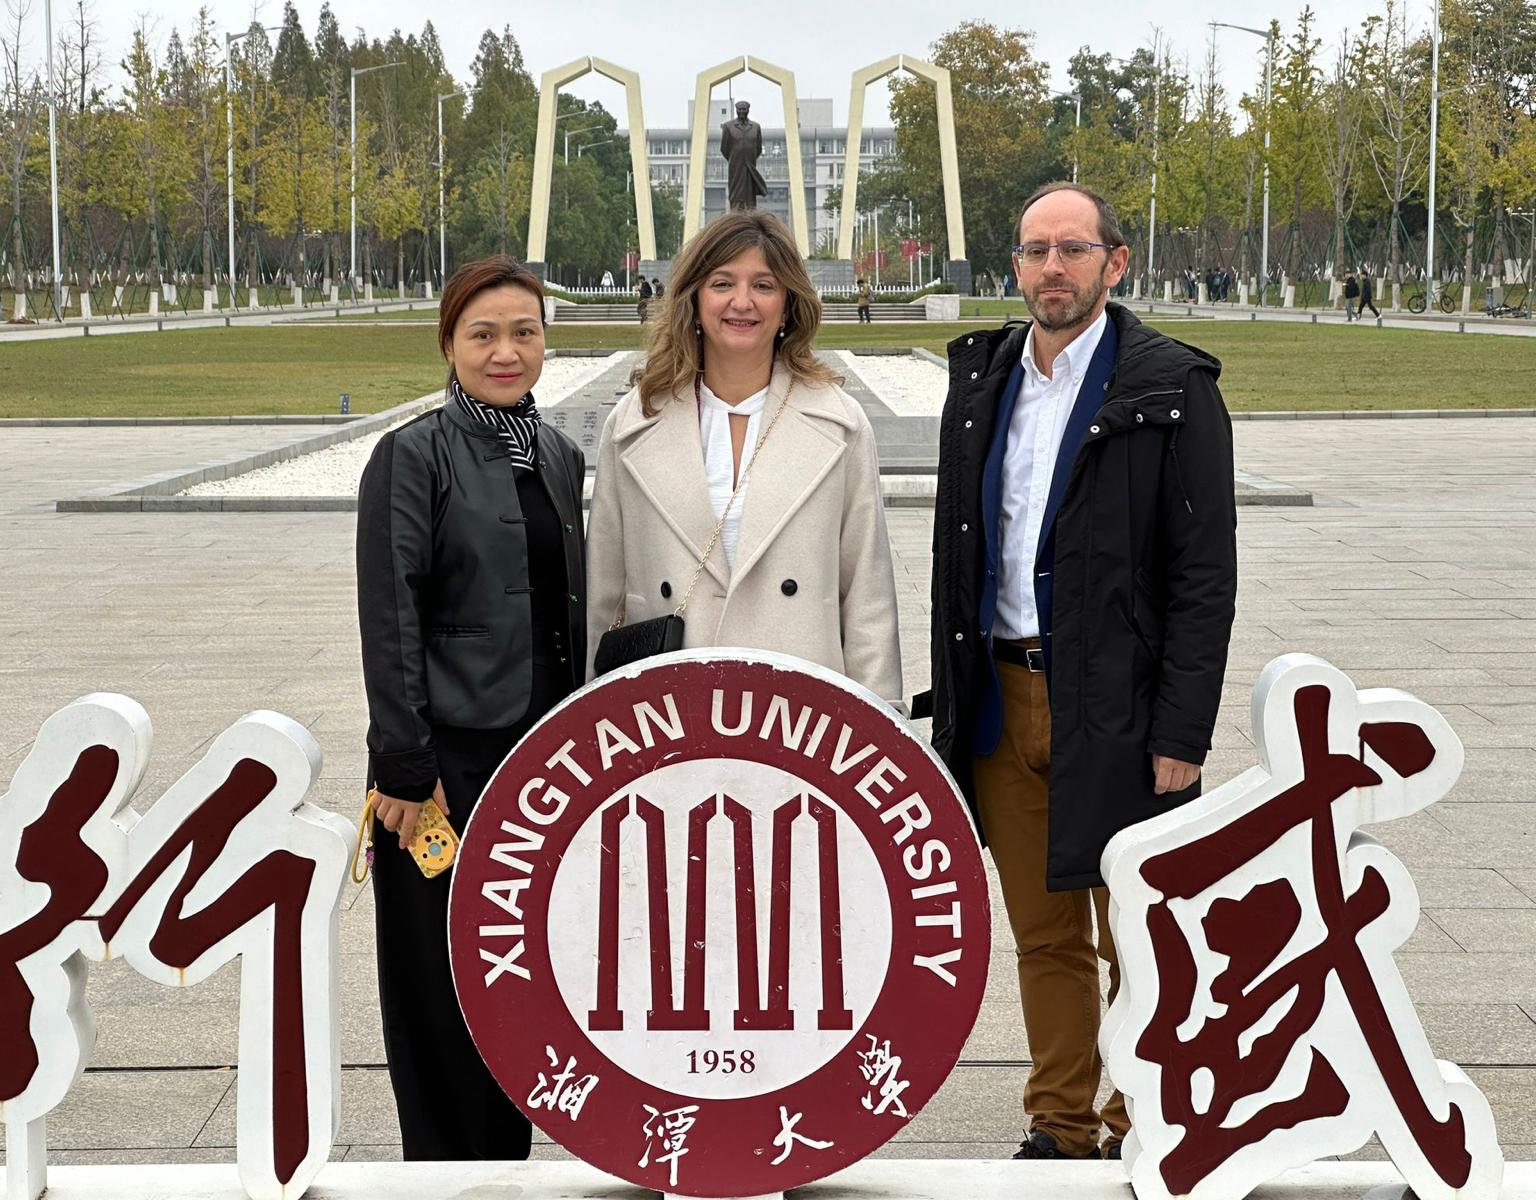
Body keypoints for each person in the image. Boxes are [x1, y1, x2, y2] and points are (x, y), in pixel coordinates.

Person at [923, 182, 1237, 1162]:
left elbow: (1203, 579)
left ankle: (1146, 1117)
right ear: (1012, 264)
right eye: (1032, 250)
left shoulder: (1170, 388)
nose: (1049, 268)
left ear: (1115, 261)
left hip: (1118, 705)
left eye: (1070, 249)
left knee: (1140, 929)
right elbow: (957, 556)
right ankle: (1062, 1122)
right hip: (1001, 701)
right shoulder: (981, 382)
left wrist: (1181, 736)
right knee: (1045, 932)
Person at [356, 255, 586, 1161]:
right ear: (448, 343)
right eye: (483, 333)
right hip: (441, 768)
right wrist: (403, 763)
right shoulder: (413, 455)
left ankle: (507, 1164)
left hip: (535, 767)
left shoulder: (558, 453)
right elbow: (391, 611)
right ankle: (446, 1172)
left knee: (517, 979)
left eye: (523, 332)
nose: (506, 351)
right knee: (436, 987)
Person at [587, 210, 901, 704]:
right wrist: (595, 717)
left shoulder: (841, 424)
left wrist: (882, 722)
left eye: (764, 285)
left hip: (805, 720)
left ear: (788, 303)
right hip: (667, 719)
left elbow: (867, 597)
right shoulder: (631, 425)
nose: (742, 302)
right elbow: (604, 598)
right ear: (693, 296)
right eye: (722, 282)